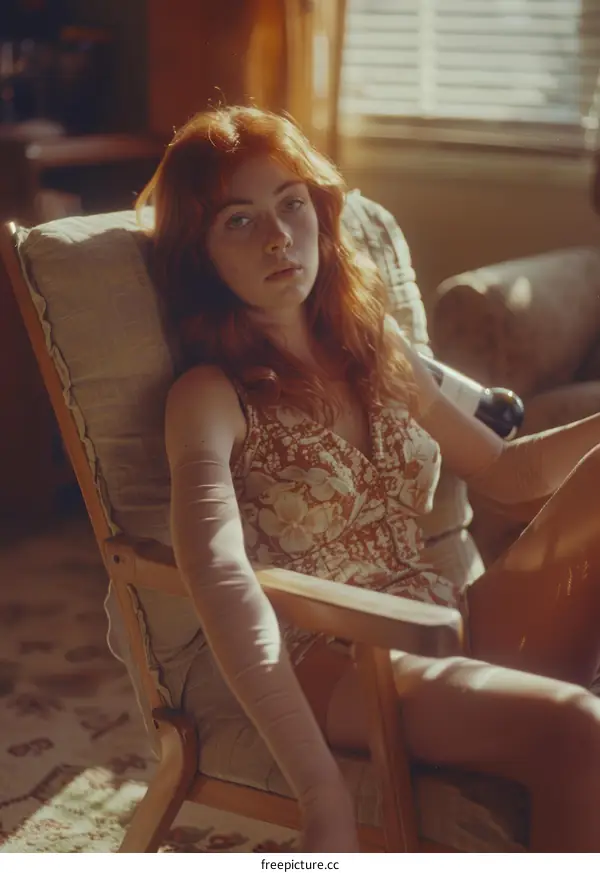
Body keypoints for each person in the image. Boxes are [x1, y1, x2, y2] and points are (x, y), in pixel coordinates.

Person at [137, 105, 600, 853]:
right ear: (201, 253)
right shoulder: (209, 396)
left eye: (292, 205)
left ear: (320, 213)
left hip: (447, 617)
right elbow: (219, 574)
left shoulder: (371, 342)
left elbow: (506, 471)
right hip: (347, 665)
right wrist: (319, 786)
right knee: (579, 728)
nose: (280, 237)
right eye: (239, 221)